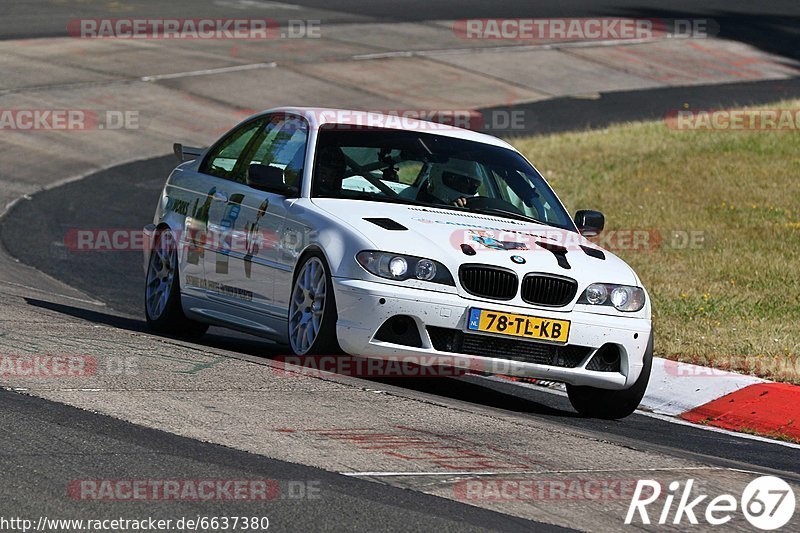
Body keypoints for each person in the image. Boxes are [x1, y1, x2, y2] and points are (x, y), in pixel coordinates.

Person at [418, 160, 483, 207]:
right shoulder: (415, 205)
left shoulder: (476, 210)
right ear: (437, 175)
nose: (465, 188)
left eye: (473, 186)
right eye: (459, 182)